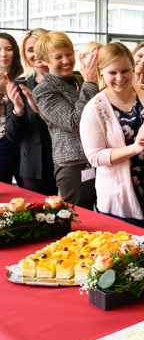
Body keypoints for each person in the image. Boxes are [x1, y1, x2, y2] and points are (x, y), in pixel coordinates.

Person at [80, 42, 144, 233]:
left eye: (125, 71)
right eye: (112, 73)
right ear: (101, 71)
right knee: (130, 258)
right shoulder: (94, 107)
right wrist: (135, 147)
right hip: (118, 199)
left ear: (133, 67)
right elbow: (95, 157)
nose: (119, 78)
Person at [32, 31, 98, 210]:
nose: (66, 60)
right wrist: (91, 84)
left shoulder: (78, 79)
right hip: (74, 166)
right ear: (45, 60)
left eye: (69, 54)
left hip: (99, 159)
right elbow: (74, 122)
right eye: (58, 57)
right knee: (82, 222)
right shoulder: (43, 90)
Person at [5, 28, 57, 195]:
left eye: (40, 46)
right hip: (34, 165)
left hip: (67, 161)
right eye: (30, 50)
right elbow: (12, 135)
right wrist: (18, 110)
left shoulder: (69, 81)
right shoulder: (17, 85)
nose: (36, 54)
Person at [0, 32, 24, 186]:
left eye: (8, 49)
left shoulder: (25, 75)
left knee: (29, 195)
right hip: (1, 141)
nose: (3, 54)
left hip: (25, 141)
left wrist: (8, 89)